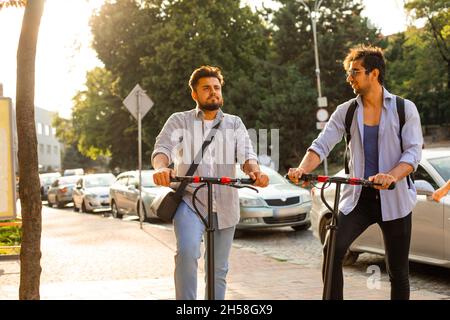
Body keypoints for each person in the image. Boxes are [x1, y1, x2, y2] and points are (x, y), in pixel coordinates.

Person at [288, 45, 423, 300]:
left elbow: (413, 153)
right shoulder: (347, 110)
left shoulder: (405, 109)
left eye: (355, 72)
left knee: (398, 270)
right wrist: (302, 169)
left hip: (395, 199)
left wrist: (391, 175)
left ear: (374, 73)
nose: (350, 78)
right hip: (358, 199)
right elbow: (322, 144)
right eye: (350, 73)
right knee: (332, 250)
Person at [151, 65, 269, 300]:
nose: (213, 92)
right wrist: (161, 168)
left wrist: (255, 172)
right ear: (194, 94)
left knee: (219, 268)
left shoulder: (234, 123)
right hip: (190, 200)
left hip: (225, 202)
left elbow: (247, 155)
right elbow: (162, 149)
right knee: (187, 252)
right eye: (206, 88)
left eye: (216, 87)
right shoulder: (180, 121)